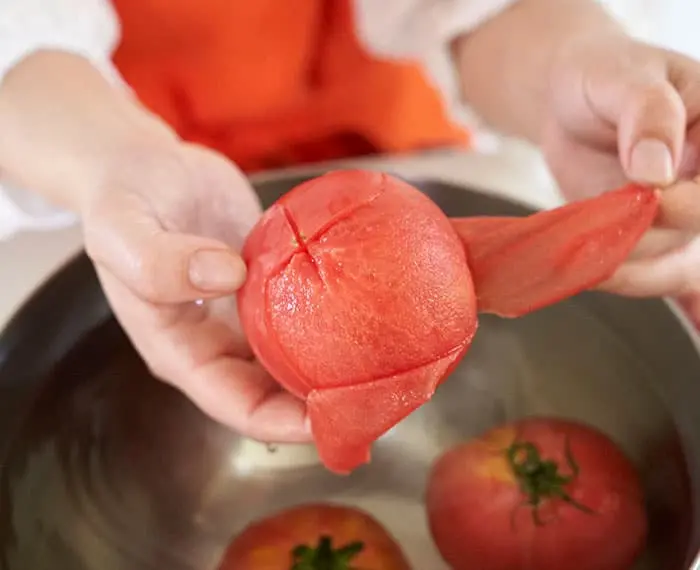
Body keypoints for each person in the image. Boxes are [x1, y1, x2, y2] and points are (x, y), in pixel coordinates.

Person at [1, 0, 699, 443]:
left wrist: (565, 68)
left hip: (392, 137)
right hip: (98, 141)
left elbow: (470, 10)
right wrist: (115, 157)